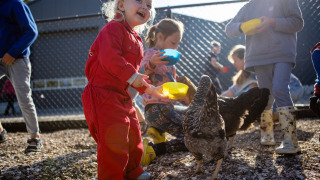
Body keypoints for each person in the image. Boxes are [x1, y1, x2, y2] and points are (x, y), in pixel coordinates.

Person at [81, 0, 166, 179]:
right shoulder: (113, 29)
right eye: (139, 1)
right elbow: (110, 58)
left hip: (122, 95)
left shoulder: (137, 39)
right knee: (114, 138)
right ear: (121, 6)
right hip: (102, 94)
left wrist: (150, 89)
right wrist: (134, 78)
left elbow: (134, 75)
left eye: (149, 5)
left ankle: (132, 171)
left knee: (133, 133)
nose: (145, 6)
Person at [225, 0, 303, 154]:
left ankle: (290, 140)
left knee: (280, 88)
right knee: (265, 96)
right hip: (259, 58)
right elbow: (229, 29)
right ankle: (267, 134)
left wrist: (272, 22)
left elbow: (297, 22)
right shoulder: (249, 6)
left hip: (282, 53)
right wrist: (242, 26)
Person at [140, 18, 196, 166]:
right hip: (157, 108)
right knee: (194, 138)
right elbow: (140, 73)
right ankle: (155, 149)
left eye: (177, 44)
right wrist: (151, 63)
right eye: (173, 43)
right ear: (160, 37)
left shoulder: (171, 63)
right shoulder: (150, 54)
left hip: (165, 108)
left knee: (191, 117)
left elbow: (174, 88)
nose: (176, 47)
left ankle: (157, 132)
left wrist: (188, 102)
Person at [0, 0, 42, 152]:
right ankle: (0, 131)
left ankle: (35, 138)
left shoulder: (15, 4)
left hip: (17, 59)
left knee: (24, 98)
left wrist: (13, 52)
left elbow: (31, 31)